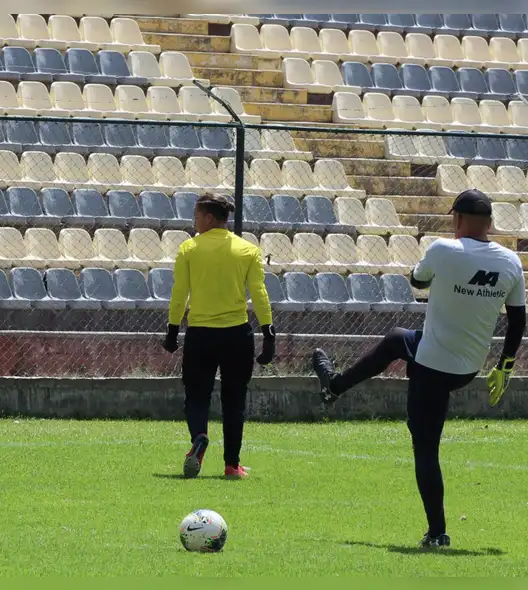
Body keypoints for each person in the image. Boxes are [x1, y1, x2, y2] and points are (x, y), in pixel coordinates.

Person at [311, 189, 525, 548]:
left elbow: (417, 279)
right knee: (398, 339)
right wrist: (505, 363)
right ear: (490, 223)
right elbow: (518, 320)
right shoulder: (510, 262)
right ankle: (334, 385)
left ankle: (438, 532)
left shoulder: (443, 250)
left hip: (431, 366)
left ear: (456, 218)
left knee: (426, 449)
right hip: (467, 368)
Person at [161, 193, 275, 480]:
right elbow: (259, 293)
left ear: (210, 218)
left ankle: (199, 436)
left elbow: (179, 294)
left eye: (197, 216)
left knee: (196, 396)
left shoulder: (189, 248)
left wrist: (173, 330)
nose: (195, 221)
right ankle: (231, 465)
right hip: (237, 335)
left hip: (200, 335)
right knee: (234, 400)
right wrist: (268, 333)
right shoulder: (247, 250)